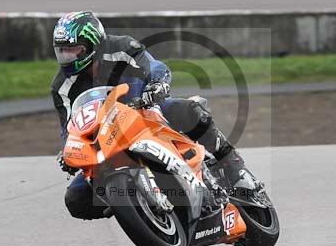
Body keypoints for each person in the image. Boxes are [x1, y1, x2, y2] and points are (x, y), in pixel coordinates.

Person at [50, 11, 253, 220]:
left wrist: (156, 85)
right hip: (106, 139)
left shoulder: (121, 47)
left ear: (92, 45)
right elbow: (69, 128)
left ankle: (236, 171)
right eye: (62, 51)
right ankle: (137, 208)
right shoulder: (61, 88)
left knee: (192, 112)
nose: (67, 57)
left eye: (73, 51)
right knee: (77, 199)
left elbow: (155, 67)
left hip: (145, 111)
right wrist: (70, 151)